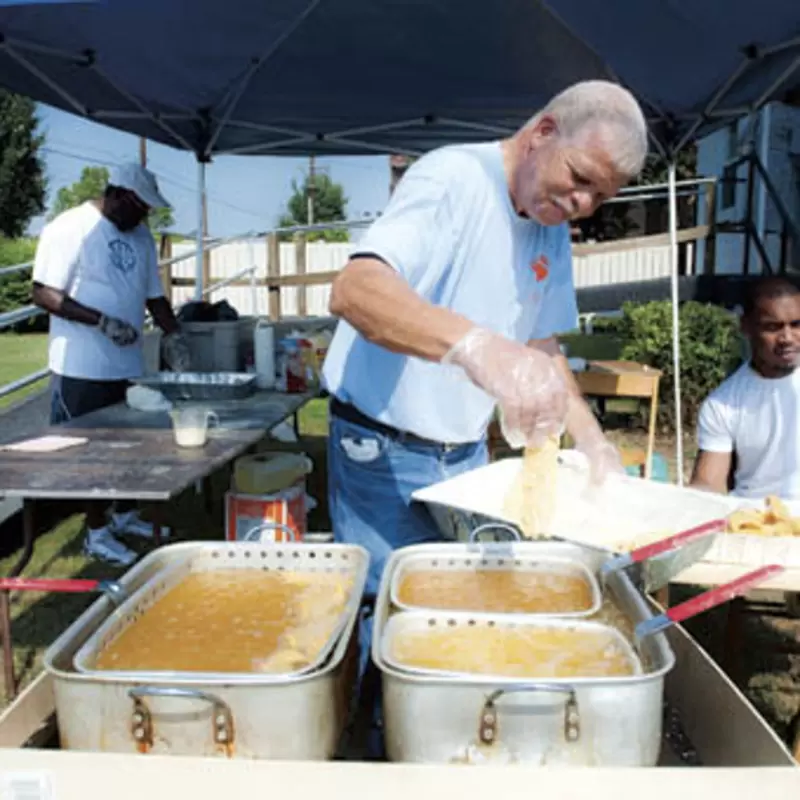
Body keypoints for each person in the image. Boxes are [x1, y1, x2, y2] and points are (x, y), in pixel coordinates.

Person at [321, 79, 649, 754]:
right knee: (391, 616)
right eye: (579, 179)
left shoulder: (548, 218)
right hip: (379, 443)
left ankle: (441, 749)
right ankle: (372, 755)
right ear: (543, 133)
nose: (581, 203)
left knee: (460, 612)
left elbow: (542, 343)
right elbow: (355, 289)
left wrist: (593, 445)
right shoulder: (451, 179)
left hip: (464, 455)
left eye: (600, 197)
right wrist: (472, 344)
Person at [32, 162, 191, 566]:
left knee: (133, 445)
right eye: (138, 208)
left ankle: (124, 513)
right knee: (92, 454)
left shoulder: (141, 236)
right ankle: (96, 532)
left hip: (127, 363)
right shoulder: (70, 228)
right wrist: (100, 322)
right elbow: (44, 293)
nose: (143, 218)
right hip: (82, 366)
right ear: (117, 195)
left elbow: (154, 295)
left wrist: (176, 335)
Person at [691, 276, 800, 499]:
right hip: (753, 523)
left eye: (796, 325)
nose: (787, 338)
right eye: (773, 327)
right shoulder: (722, 404)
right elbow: (708, 486)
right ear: (746, 326)